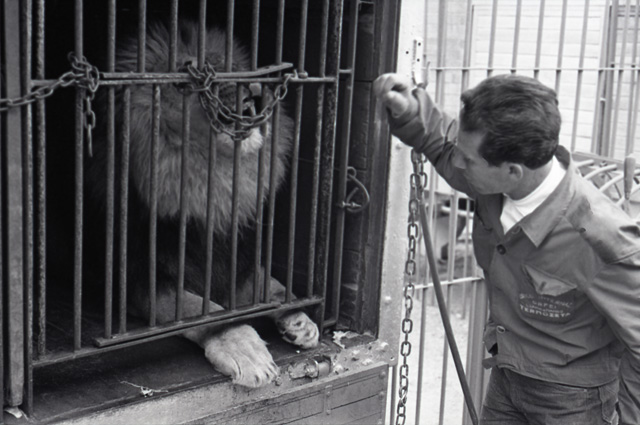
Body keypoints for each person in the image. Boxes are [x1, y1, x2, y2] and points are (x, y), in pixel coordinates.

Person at [374, 73, 640, 425]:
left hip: (574, 399)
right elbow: (445, 143)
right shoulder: (493, 179)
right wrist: (410, 110)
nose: (458, 163)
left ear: (513, 172)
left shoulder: (601, 238)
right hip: (507, 377)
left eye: (469, 160)